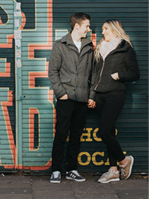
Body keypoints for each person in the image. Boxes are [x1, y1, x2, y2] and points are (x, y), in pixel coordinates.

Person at [89, 19, 140, 183]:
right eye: (103, 29)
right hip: (99, 95)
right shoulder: (99, 50)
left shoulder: (126, 50)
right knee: (109, 132)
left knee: (103, 132)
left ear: (114, 30)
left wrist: (119, 75)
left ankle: (124, 161)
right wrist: (91, 95)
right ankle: (113, 170)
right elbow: (94, 75)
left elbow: (135, 74)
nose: (103, 32)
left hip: (115, 94)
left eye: (106, 29)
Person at [48, 12, 94, 183]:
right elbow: (53, 72)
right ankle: (56, 170)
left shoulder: (89, 46)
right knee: (61, 133)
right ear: (77, 26)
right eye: (86, 26)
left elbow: (93, 73)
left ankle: (72, 169)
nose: (88, 30)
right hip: (66, 99)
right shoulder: (60, 45)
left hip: (82, 99)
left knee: (76, 135)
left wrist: (90, 95)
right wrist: (62, 93)